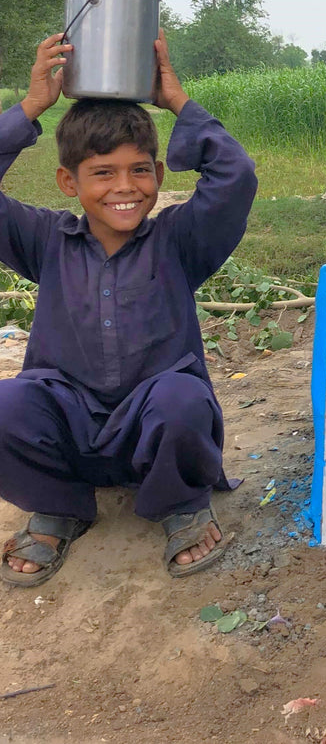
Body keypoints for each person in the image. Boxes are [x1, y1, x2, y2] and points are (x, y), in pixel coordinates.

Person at [0, 31, 257, 586]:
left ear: (159, 176)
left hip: (157, 428)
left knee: (182, 395)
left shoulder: (180, 241)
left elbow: (236, 177)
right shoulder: (46, 240)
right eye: (102, 173)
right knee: (8, 401)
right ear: (69, 181)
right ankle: (59, 507)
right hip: (69, 427)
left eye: (140, 170)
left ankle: (181, 504)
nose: (125, 187)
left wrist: (177, 102)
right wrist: (32, 106)